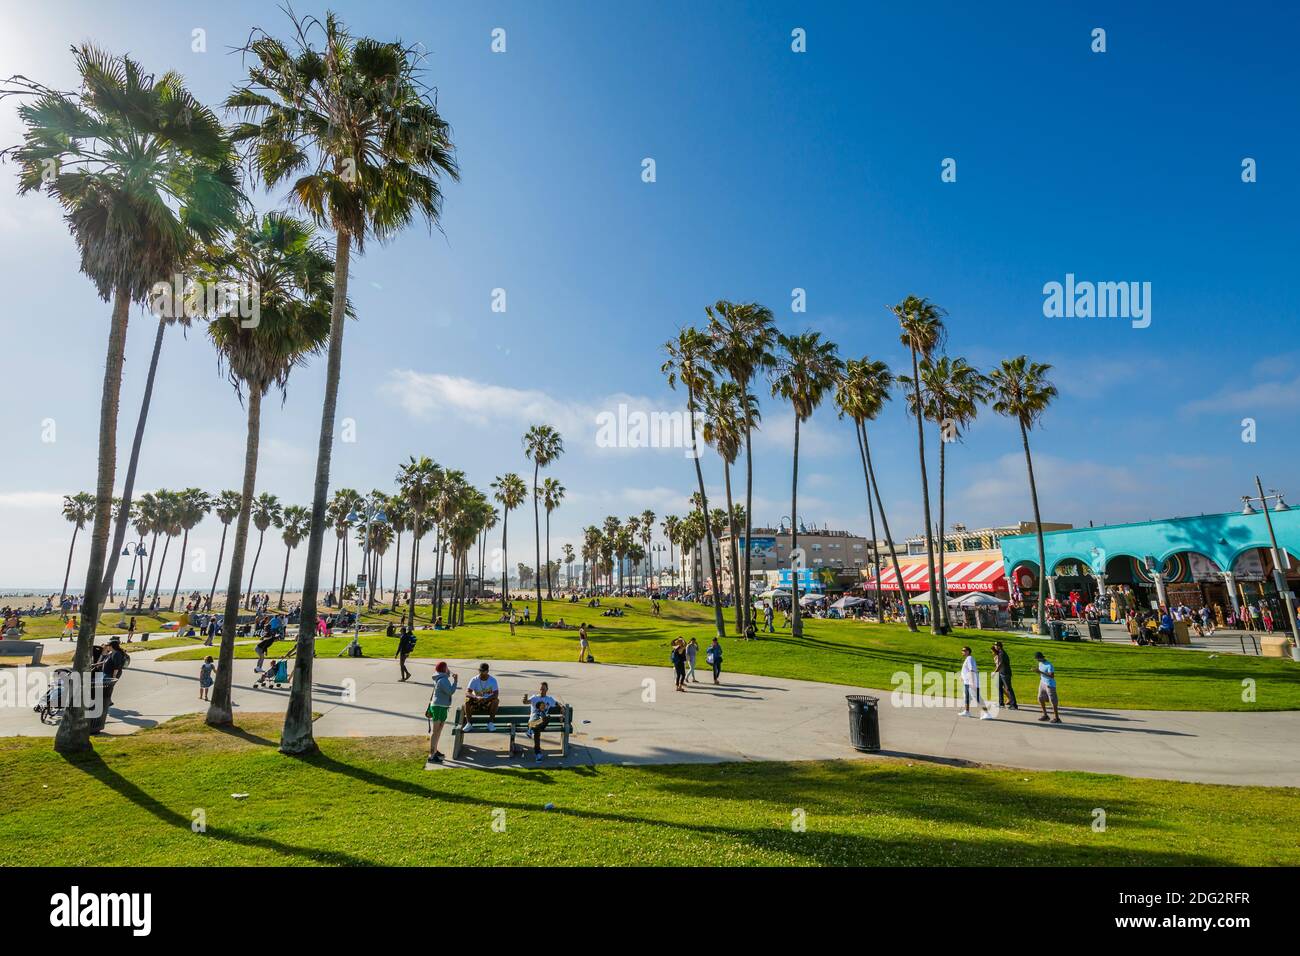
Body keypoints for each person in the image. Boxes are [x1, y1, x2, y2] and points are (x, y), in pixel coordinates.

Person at [426, 662, 459, 763]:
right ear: (444, 669)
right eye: (447, 668)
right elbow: (450, 691)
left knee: (438, 731)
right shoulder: (443, 680)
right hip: (439, 707)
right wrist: (455, 681)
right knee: (436, 731)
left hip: (441, 706)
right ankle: (432, 755)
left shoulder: (439, 678)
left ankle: (435, 750)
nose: (448, 669)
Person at [522, 682, 561, 763]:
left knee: (547, 717)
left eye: (543, 689)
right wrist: (524, 699)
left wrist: (562, 709)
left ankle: (530, 730)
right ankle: (538, 754)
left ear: (547, 689)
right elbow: (525, 702)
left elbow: (557, 703)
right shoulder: (534, 698)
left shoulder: (549, 699)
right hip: (533, 720)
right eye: (540, 689)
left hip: (542, 722)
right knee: (536, 728)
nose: (541, 690)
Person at [463, 663, 500, 730]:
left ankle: (490, 723)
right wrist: (476, 697)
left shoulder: (492, 680)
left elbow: (496, 694)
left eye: (483, 671)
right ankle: (469, 723)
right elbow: (467, 692)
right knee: (467, 699)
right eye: (480, 671)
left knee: (496, 700)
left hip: (487, 702)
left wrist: (486, 699)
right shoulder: (474, 679)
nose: (481, 672)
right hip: (476, 701)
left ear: (487, 671)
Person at [958, 646, 992, 719]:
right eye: (962, 650)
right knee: (967, 697)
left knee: (978, 698)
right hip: (967, 682)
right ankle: (967, 712)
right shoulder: (967, 659)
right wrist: (962, 677)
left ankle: (987, 714)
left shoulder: (970, 658)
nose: (962, 651)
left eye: (963, 650)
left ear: (968, 652)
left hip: (971, 683)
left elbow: (972, 670)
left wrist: (972, 682)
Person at [1034, 651, 1061, 723]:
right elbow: (1041, 673)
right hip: (1042, 683)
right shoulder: (1040, 663)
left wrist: (1040, 672)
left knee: (1053, 701)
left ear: (1041, 658)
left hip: (1050, 684)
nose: (1037, 660)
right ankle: (1045, 715)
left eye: (1038, 659)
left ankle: (1057, 718)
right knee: (1040, 698)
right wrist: (1037, 672)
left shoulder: (1049, 665)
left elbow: (1052, 676)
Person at [992, 641, 1017, 710]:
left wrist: (994, 672)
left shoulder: (1002, 653)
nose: (995, 646)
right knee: (999, 686)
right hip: (1001, 673)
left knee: (1008, 688)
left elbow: (1000, 664)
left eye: (996, 645)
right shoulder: (1000, 653)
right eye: (994, 645)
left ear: (999, 646)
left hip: (1005, 673)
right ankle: (1001, 703)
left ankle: (1014, 705)